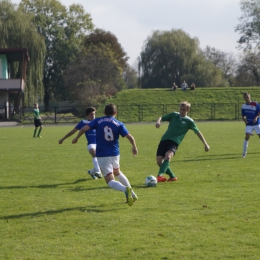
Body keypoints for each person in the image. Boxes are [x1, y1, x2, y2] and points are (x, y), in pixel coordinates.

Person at [72, 104, 138, 206]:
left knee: (110, 181)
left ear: (104, 112)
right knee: (118, 173)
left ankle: (126, 189)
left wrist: (76, 138)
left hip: (103, 154)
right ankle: (132, 194)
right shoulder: (119, 123)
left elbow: (84, 128)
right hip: (115, 153)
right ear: (115, 113)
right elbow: (130, 137)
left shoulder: (97, 121)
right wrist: (134, 146)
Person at [155, 101, 210, 182]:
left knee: (168, 156)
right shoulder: (174, 115)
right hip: (164, 139)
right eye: (180, 109)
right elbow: (161, 117)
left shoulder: (189, 121)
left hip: (174, 142)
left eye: (183, 110)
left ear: (188, 110)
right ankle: (172, 177)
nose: (181, 111)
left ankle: (159, 176)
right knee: (159, 162)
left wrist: (205, 144)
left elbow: (197, 132)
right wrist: (158, 122)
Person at [59, 107, 102, 179]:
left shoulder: (98, 122)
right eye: (91, 114)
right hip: (91, 144)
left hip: (100, 144)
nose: (93, 116)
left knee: (101, 161)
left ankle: (91, 172)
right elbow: (73, 131)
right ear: (87, 115)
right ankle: (98, 172)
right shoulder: (83, 122)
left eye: (94, 114)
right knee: (93, 152)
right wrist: (63, 139)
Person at [241, 92, 260, 158]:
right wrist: (245, 120)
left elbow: (259, 113)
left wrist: (256, 117)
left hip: (257, 123)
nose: (246, 98)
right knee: (247, 136)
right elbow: (243, 116)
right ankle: (244, 153)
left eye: (247, 97)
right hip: (249, 124)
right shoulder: (243, 106)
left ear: (250, 97)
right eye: (245, 97)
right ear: (244, 98)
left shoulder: (255, 104)